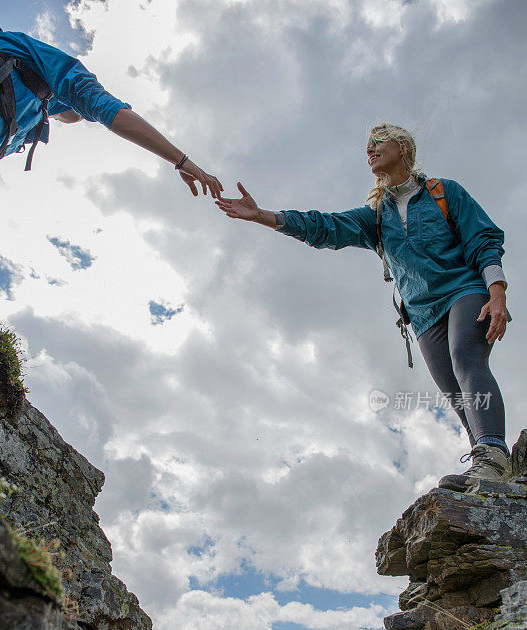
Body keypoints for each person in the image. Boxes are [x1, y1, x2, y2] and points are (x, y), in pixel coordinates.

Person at [215, 122, 511, 490]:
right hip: (422, 314)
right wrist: (262, 216)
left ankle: (493, 454)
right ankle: (487, 468)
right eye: (366, 147)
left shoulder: (444, 192)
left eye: (377, 143)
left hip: (465, 290)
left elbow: (483, 240)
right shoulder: (375, 215)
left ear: (402, 146)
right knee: (456, 391)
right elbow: (325, 227)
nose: (369, 151)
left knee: (466, 359)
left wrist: (496, 293)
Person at [0, 23, 222, 198]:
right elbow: (106, 110)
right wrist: (181, 160)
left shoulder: (37, 110)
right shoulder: (29, 52)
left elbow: (71, 116)